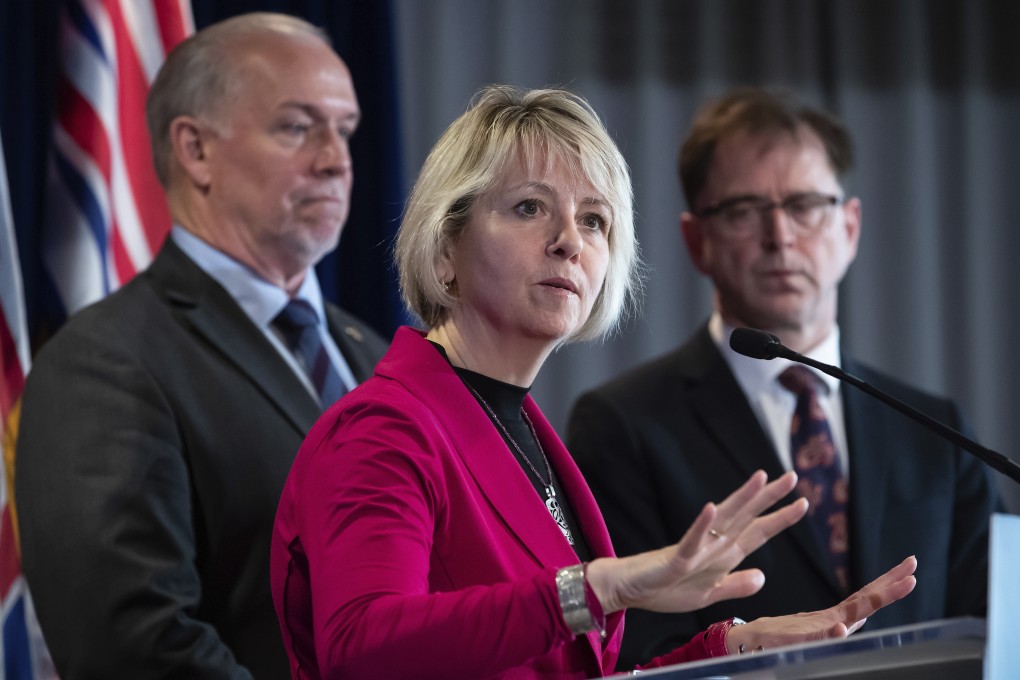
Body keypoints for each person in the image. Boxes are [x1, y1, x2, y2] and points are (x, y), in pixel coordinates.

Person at [271, 84, 918, 679]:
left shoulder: (522, 433)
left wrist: (733, 647)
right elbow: (361, 647)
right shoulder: (384, 428)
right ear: (445, 249)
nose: (568, 242)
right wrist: (599, 587)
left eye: (594, 220)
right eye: (529, 207)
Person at [567, 86, 1000, 670]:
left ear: (849, 227)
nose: (781, 237)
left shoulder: (936, 431)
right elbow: (628, 650)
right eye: (745, 211)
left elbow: (997, 626)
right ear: (697, 241)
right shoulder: (623, 426)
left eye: (805, 205)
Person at [14, 13, 389, 679]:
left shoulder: (374, 354)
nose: (337, 159)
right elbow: (132, 646)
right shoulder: (105, 362)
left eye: (346, 129)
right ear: (195, 150)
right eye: (298, 127)